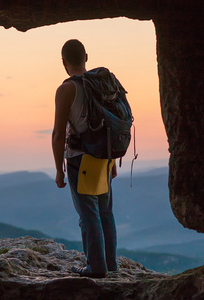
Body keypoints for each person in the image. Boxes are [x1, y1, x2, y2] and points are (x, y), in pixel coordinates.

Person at [52, 39, 118, 278]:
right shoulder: (101, 83)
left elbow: (59, 134)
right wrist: (111, 161)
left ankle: (95, 267)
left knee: (88, 215)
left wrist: (59, 169)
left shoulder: (67, 89)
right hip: (104, 156)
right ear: (86, 57)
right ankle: (110, 264)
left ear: (64, 62)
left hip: (81, 159)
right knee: (105, 212)